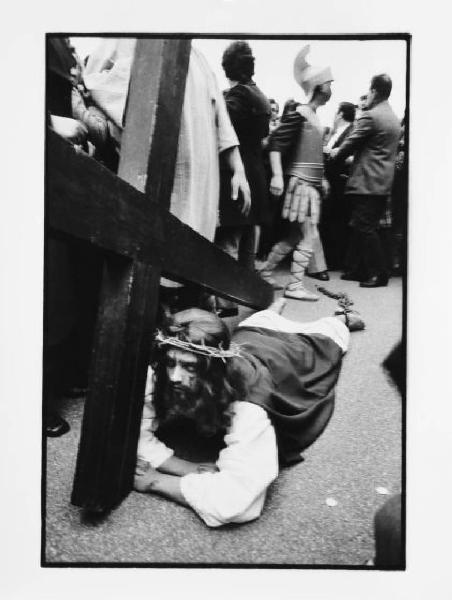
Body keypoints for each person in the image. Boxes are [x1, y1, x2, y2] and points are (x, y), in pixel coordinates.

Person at [134, 297, 365, 527]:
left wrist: (156, 481)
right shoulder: (163, 370)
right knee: (256, 323)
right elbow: (132, 428)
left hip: (289, 356)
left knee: (322, 339)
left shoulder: (249, 403)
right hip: (250, 336)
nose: (174, 377)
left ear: (213, 371)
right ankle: (273, 310)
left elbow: (237, 500)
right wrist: (184, 467)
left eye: (190, 367)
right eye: (171, 363)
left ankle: (340, 318)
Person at [83, 39, 251, 310]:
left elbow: (222, 117)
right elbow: (95, 83)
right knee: (148, 255)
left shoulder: (197, 56)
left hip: (199, 170)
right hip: (154, 166)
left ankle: (183, 316)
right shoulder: (124, 39)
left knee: (193, 247)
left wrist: (238, 169)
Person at [257, 45, 332, 300]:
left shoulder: (311, 115)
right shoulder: (300, 113)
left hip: (308, 184)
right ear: (319, 87)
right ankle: (295, 286)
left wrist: (321, 178)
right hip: (300, 184)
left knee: (294, 235)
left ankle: (266, 272)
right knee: (308, 234)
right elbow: (276, 144)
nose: (331, 89)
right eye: (329, 84)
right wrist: (277, 175)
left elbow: (311, 152)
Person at [214, 41, 272, 318]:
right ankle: (248, 292)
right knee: (248, 237)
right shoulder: (259, 95)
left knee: (228, 237)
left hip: (235, 172)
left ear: (227, 67)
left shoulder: (236, 97)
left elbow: (224, 133)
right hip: (255, 170)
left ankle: (226, 301)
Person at [329, 74, 402, 287]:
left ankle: (379, 273)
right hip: (382, 182)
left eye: (369, 91)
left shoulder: (371, 116)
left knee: (364, 227)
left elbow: (350, 144)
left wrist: (333, 154)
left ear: (374, 92)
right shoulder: (392, 117)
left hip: (367, 182)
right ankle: (361, 270)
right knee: (366, 226)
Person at [321, 101, 356, 271]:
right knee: (330, 220)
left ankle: (335, 259)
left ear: (340, 114)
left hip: (340, 181)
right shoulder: (338, 132)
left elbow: (347, 155)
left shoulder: (350, 132)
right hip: (332, 180)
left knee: (337, 221)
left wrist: (328, 152)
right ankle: (331, 258)